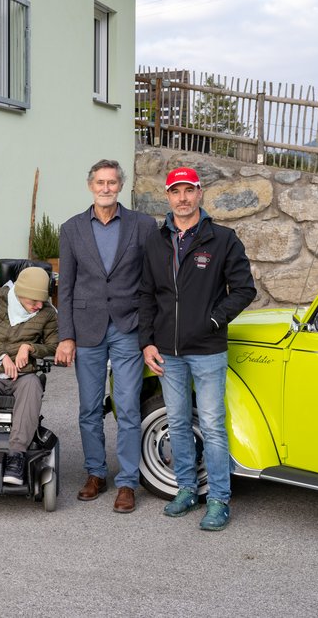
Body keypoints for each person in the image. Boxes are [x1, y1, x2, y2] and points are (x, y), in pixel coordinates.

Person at [139, 167, 255, 531]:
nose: (183, 198)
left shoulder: (222, 239)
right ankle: (187, 489)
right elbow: (146, 295)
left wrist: (215, 321)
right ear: (168, 196)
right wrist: (147, 341)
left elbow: (244, 289)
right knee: (177, 421)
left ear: (200, 193)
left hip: (207, 350)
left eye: (189, 190)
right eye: (176, 191)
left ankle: (219, 499)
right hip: (167, 352)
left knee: (212, 426)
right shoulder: (156, 241)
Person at [54, 160, 158, 514]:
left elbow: (152, 282)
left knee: (128, 407)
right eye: (100, 182)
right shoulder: (71, 229)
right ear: (90, 186)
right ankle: (96, 472)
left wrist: (148, 333)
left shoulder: (143, 226)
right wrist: (65, 336)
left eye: (112, 182)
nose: (106, 188)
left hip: (128, 326)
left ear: (121, 186)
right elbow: (65, 287)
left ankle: (127, 481)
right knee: (88, 408)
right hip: (87, 328)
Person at [0, 267, 58, 487]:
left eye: (42, 300)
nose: (39, 306)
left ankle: (16, 455)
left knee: (33, 386)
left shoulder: (47, 312)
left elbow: (54, 345)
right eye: (34, 300)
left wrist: (30, 348)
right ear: (20, 292)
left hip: (24, 375)